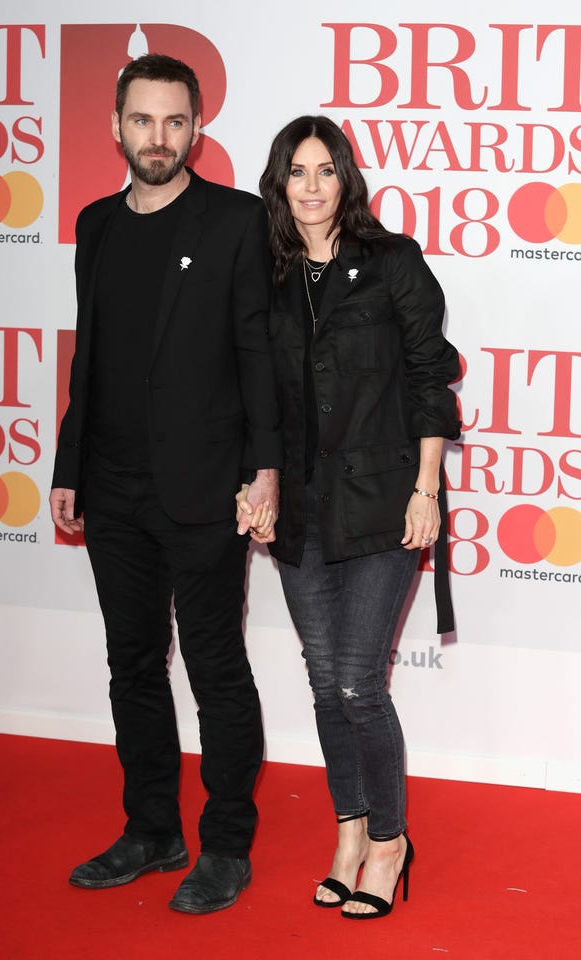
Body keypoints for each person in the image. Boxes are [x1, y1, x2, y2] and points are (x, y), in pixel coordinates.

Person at [49, 53, 281, 915]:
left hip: (206, 488)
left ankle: (225, 845)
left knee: (217, 670)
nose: (159, 138)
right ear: (115, 127)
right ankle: (151, 829)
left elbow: (257, 356)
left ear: (196, 129)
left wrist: (265, 472)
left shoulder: (234, 222)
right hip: (111, 488)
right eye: (143, 121)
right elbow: (92, 358)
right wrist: (70, 465)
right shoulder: (95, 225)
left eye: (175, 122)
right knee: (132, 663)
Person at [243, 115, 460, 919]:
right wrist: (254, 485)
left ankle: (392, 839)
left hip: (383, 502)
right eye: (296, 171)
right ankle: (349, 831)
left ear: (347, 179)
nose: (310, 187)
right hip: (299, 510)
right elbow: (253, 398)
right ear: (280, 182)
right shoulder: (266, 276)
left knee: (357, 684)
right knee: (323, 685)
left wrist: (426, 489)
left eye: (324, 170)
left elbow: (430, 378)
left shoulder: (393, 263)